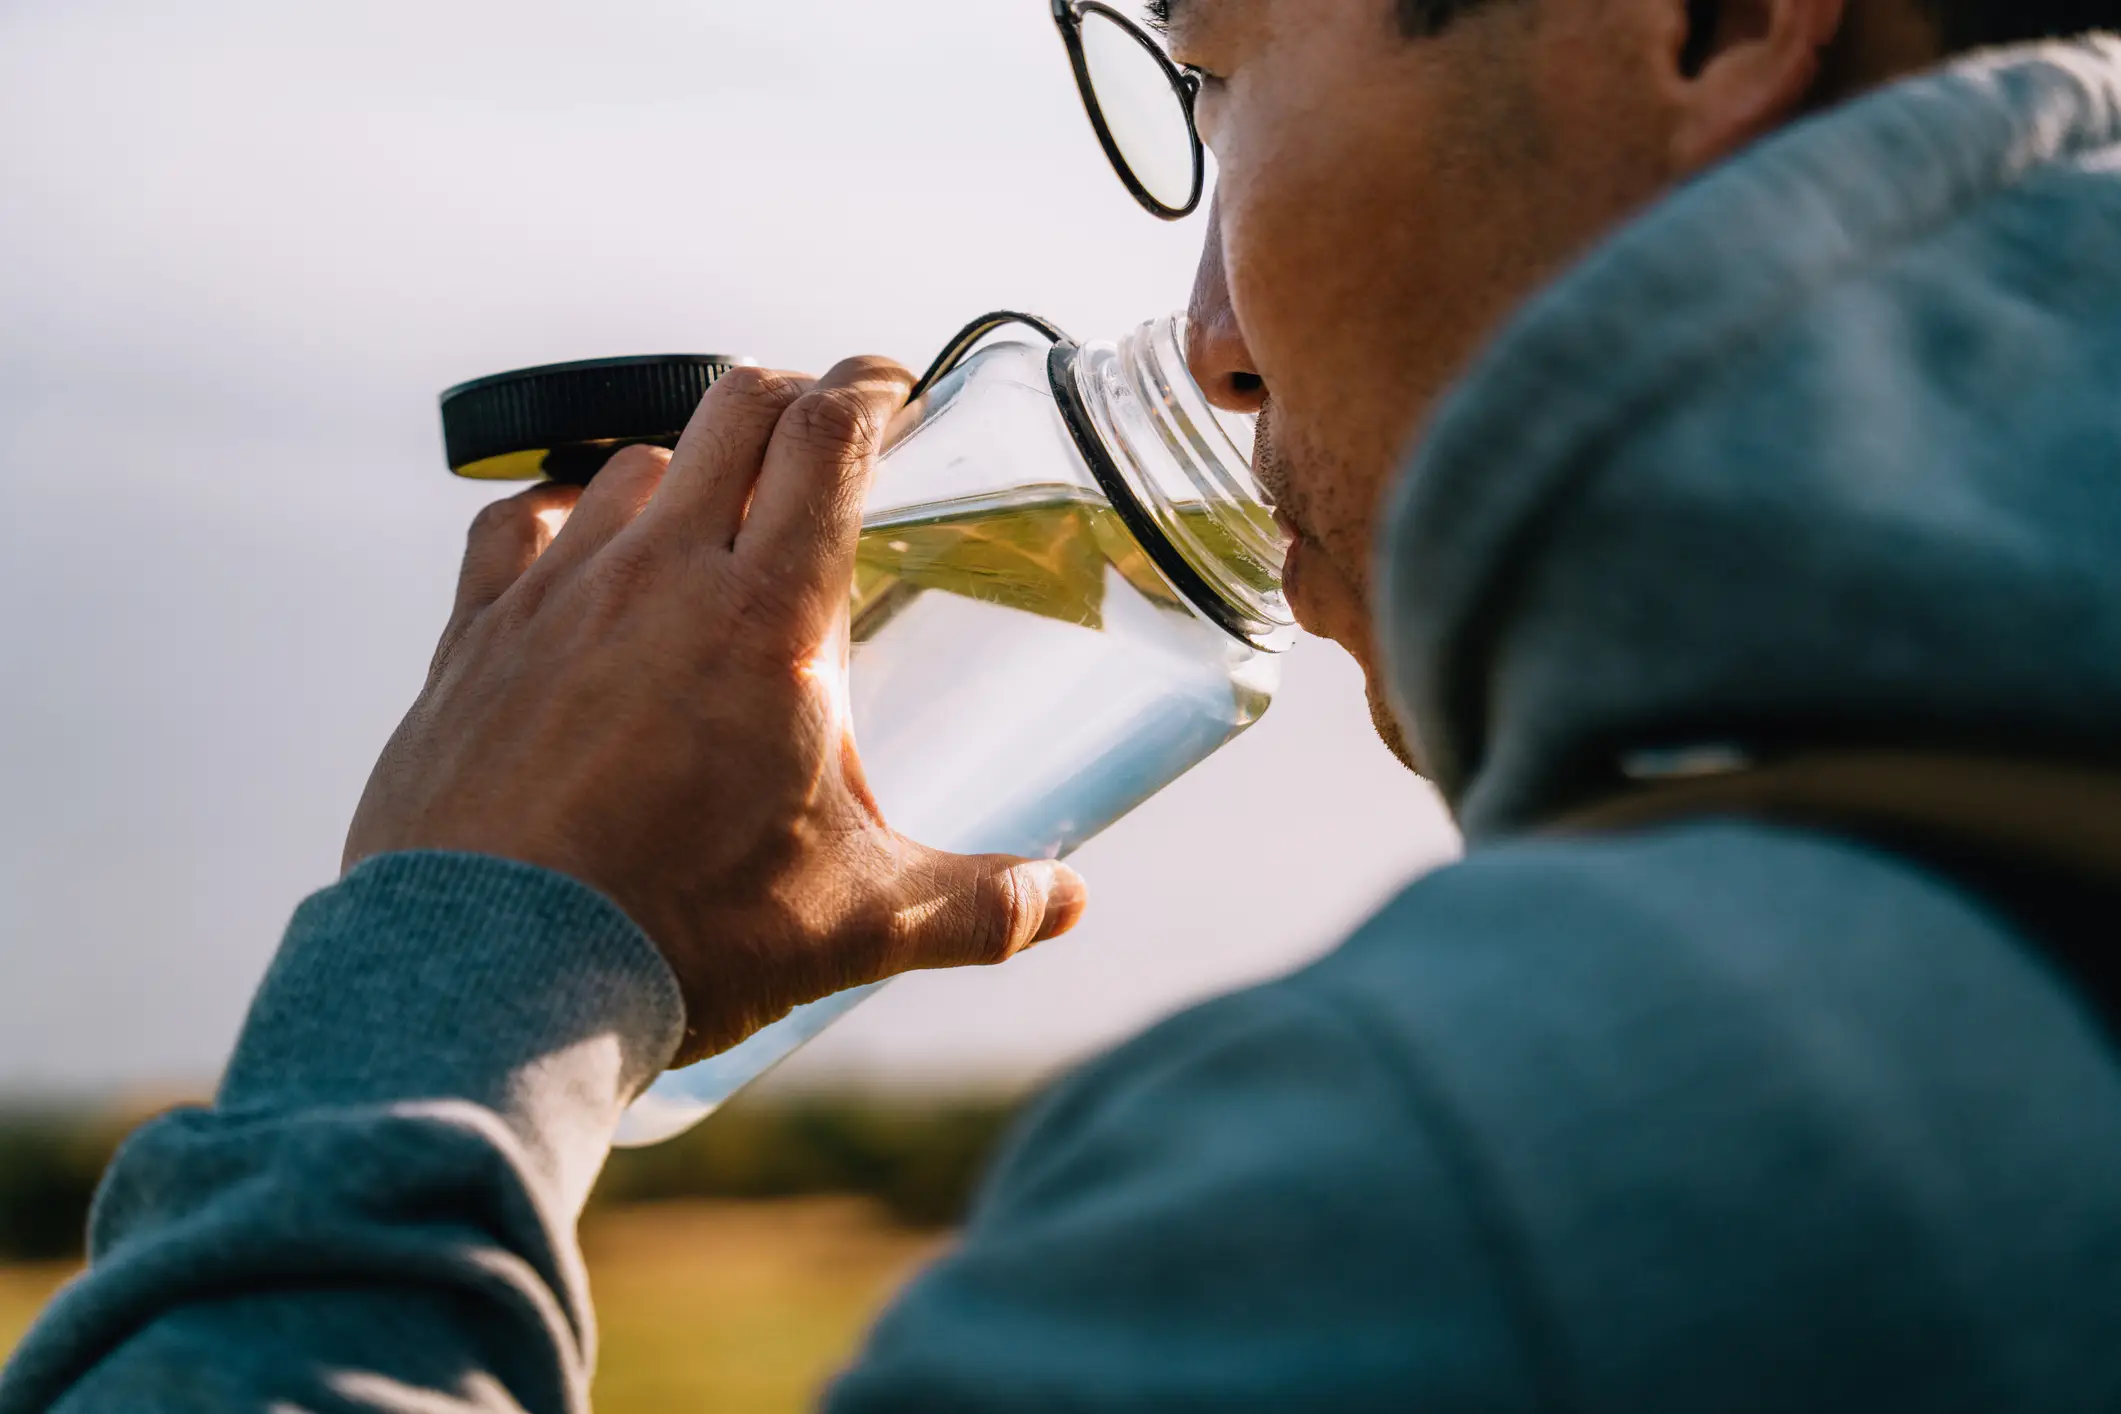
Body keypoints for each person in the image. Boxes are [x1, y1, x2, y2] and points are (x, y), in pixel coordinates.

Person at [8, 0, 2121, 1406]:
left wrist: (463, 955)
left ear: (1707, 16)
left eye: (1218, 77)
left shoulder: (1479, 1175)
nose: (1209, 344)